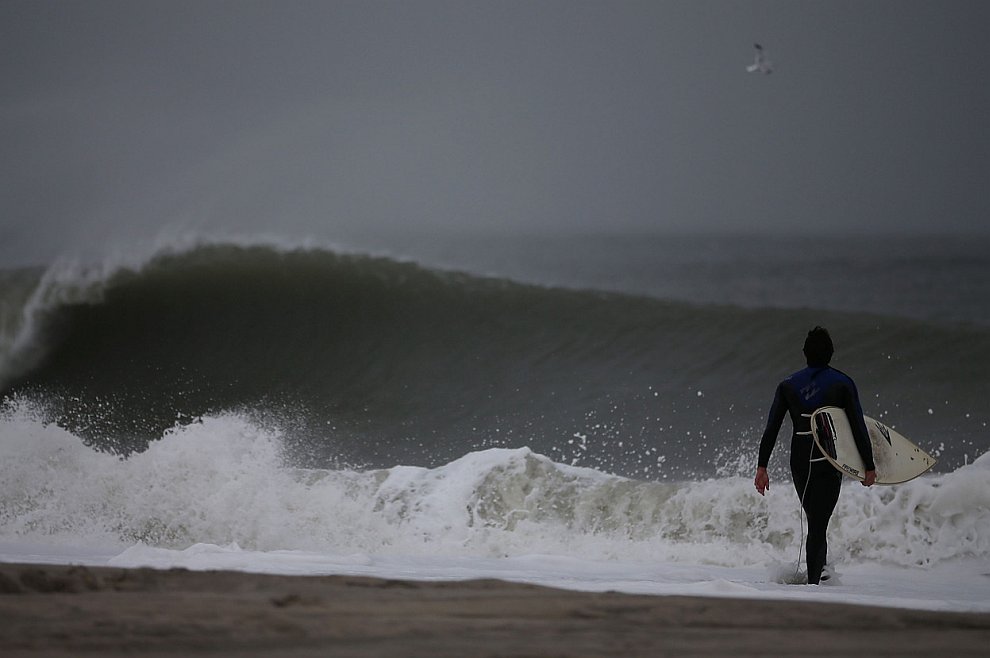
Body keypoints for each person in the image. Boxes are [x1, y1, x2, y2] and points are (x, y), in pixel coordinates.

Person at [754, 326, 876, 584]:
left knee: (815, 520)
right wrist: (869, 465)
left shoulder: (788, 385)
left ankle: (820, 575)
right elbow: (857, 426)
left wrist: (762, 467)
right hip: (828, 459)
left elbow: (772, 428)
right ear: (831, 353)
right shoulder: (843, 383)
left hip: (799, 460)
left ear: (804, 353)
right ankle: (814, 585)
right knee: (819, 523)